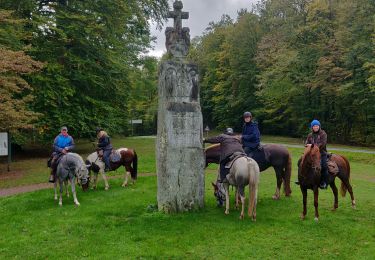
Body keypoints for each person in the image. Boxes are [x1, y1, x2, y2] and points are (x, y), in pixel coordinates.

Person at [306, 119, 328, 189]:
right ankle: (302, 179)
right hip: (311, 154)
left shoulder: (323, 134)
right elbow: (306, 143)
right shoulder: (310, 135)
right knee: (300, 162)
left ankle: (323, 182)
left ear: (319, 126)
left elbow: (322, 144)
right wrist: (307, 145)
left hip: (321, 153)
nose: (316, 127)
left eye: (317, 126)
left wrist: (312, 145)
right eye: (314, 126)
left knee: (324, 166)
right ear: (312, 127)